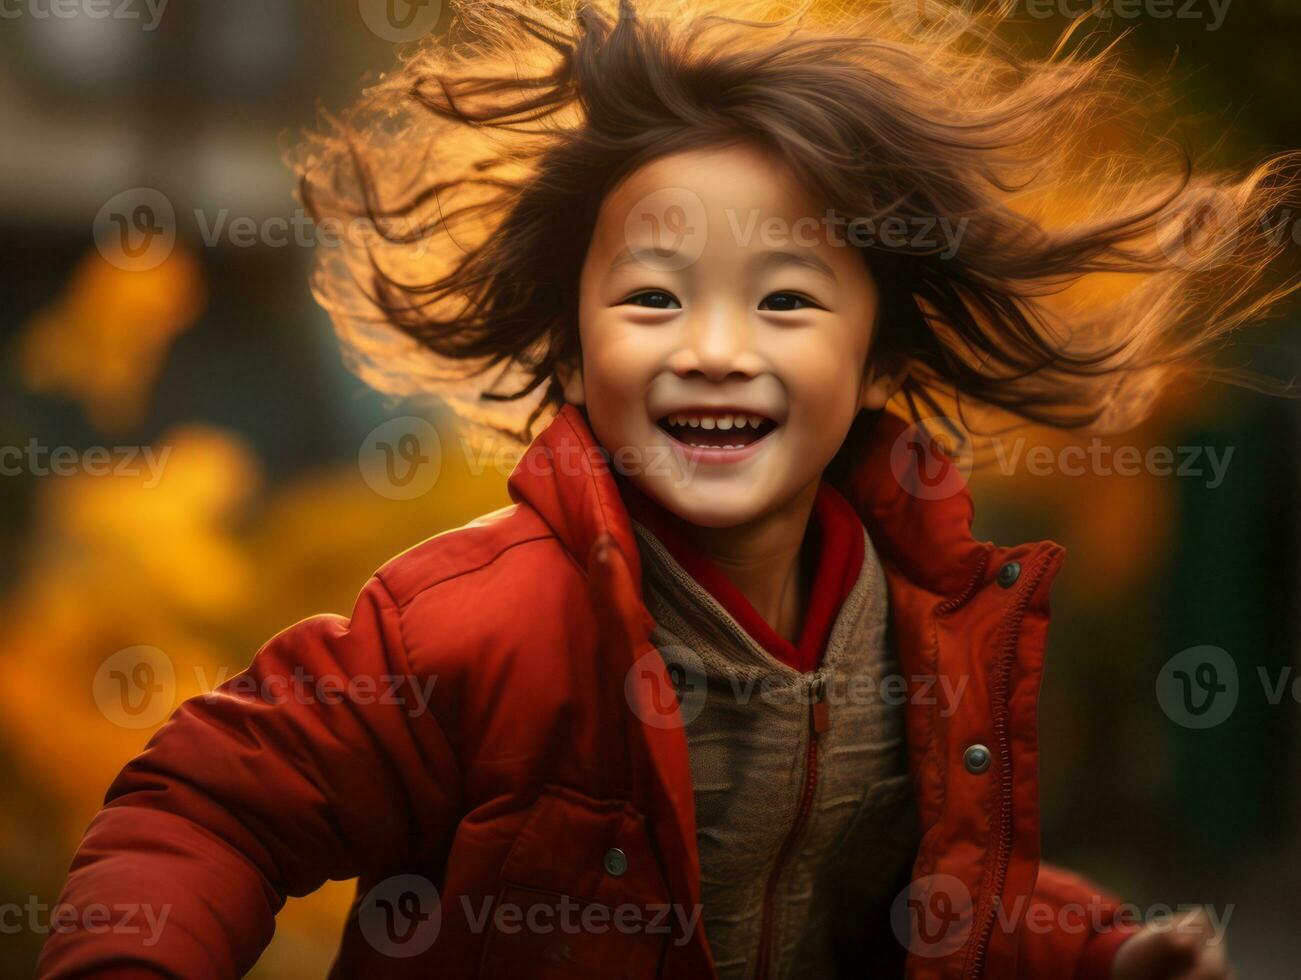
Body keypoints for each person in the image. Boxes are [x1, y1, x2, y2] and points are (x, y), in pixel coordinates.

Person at [43, 0, 1294, 975]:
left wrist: (1095, 951)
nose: (712, 346)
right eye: (652, 295)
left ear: (878, 358)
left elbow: (924, 895)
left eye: (785, 300)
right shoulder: (471, 626)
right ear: (572, 344)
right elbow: (212, 804)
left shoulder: (926, 625)